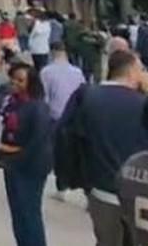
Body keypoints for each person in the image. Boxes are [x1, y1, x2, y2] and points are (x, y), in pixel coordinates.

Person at [57, 49, 148, 245]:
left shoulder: (86, 96)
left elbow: (65, 137)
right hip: (139, 196)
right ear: (132, 71)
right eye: (141, 69)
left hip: (100, 192)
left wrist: (73, 179)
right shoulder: (142, 104)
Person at [0, 62, 53, 246]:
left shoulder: (38, 107)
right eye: (13, 78)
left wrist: (15, 155)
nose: (15, 83)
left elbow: (38, 141)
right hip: (10, 164)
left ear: (31, 82)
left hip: (31, 166)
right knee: (17, 213)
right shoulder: (8, 100)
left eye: (21, 80)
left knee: (29, 213)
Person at [41, 40, 85, 122]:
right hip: (73, 116)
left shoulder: (46, 72)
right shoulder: (78, 72)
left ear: (52, 52)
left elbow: (44, 98)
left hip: (55, 116)